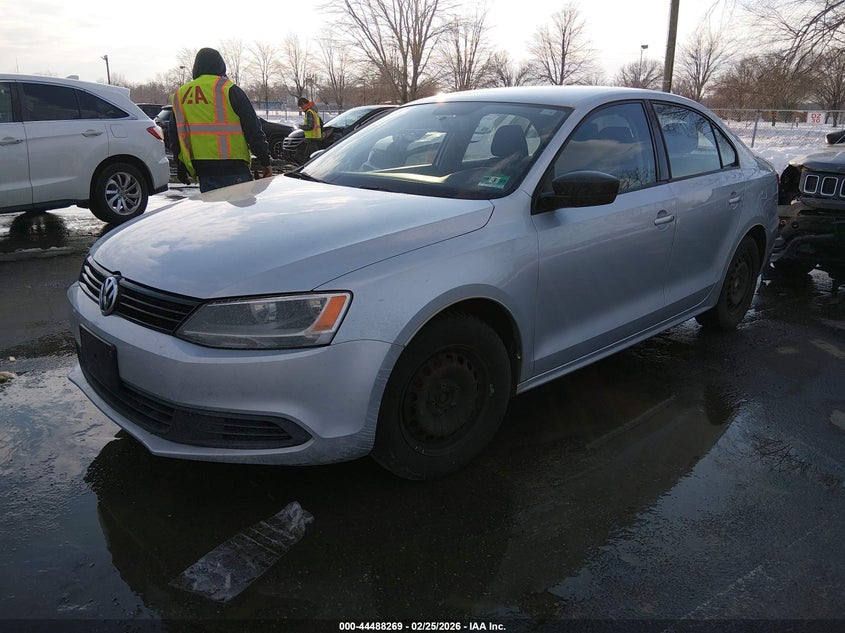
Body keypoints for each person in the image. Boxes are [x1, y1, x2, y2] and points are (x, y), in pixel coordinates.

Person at [169, 48, 273, 193]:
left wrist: (180, 165)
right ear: (220, 66)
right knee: (239, 215)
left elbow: (175, 135)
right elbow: (253, 129)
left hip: (203, 170)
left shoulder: (180, 94)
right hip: (233, 168)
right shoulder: (229, 89)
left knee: (215, 214)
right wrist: (265, 160)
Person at [297, 96, 322, 163]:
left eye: (301, 106)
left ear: (303, 103)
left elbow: (310, 126)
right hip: (314, 137)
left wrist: (301, 127)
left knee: (312, 158)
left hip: (312, 138)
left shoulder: (309, 112)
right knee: (308, 157)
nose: (301, 108)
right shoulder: (313, 111)